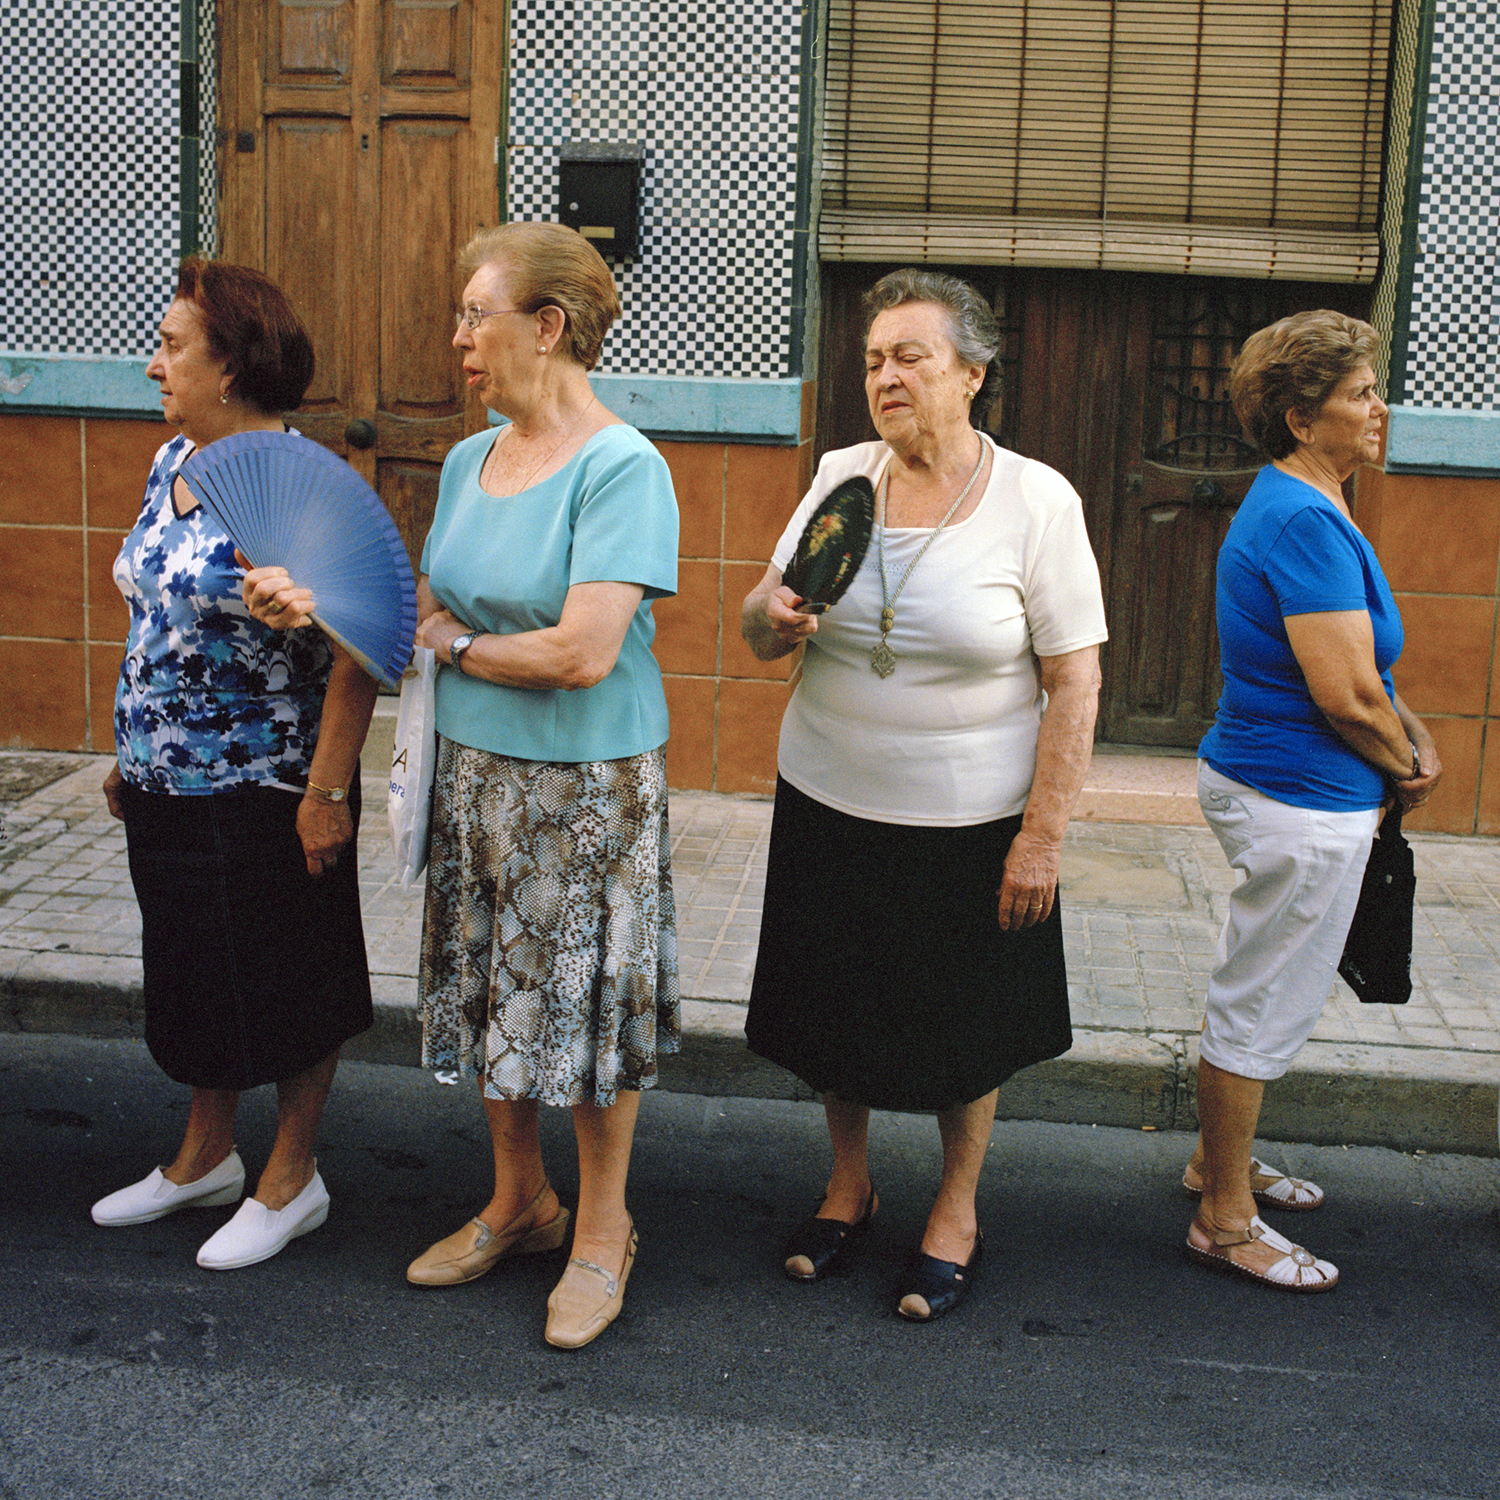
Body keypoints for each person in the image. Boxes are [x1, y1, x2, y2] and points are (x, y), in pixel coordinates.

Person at [248, 222, 679, 1348]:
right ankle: (518, 1201)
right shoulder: (467, 459)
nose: (458, 339)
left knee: (584, 1008)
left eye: (476, 316)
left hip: (587, 787)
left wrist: (456, 647)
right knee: (492, 988)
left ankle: (603, 1230)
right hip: (474, 773)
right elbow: (418, 613)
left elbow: (581, 652)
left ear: (549, 325)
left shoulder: (623, 467)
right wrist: (329, 610)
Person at [740, 268, 1107, 1321]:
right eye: (872, 360)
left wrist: (1042, 837)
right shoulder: (842, 475)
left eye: (911, 356)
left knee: (963, 1025)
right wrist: (775, 616)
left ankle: (955, 1207)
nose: (885, 377)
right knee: (834, 1006)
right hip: (828, 798)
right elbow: (761, 624)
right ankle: (849, 1183)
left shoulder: (1037, 500)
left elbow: (1076, 680)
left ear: (973, 374)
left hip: (969, 822)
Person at [92, 259, 378, 1270]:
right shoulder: (174, 459)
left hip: (269, 781)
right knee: (190, 970)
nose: (153, 364)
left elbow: (361, 651)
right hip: (164, 778)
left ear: (231, 366)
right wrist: (129, 746)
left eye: (172, 346)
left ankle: (293, 1178)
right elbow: (153, 613)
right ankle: (204, 1158)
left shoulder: (301, 484)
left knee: (293, 975)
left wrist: (327, 793)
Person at [1183, 310, 1441, 1292]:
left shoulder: (1309, 503)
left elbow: (1362, 666)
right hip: (1295, 795)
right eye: (1361, 393)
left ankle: (1218, 1164)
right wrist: (1406, 762)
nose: (1380, 408)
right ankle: (1223, 1218)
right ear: (1300, 418)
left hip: (1288, 784)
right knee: (1260, 1002)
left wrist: (1406, 734)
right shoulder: (1302, 518)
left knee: (1260, 982)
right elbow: (1343, 693)